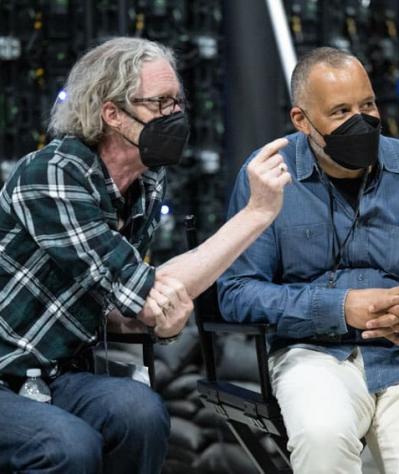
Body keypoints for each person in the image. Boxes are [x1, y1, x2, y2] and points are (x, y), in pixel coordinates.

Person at [0, 37, 291, 474]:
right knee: (69, 446)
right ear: (112, 113)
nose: (174, 114)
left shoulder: (147, 184)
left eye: (177, 102)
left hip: (54, 373)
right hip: (8, 371)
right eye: (160, 103)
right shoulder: (53, 173)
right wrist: (257, 213)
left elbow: (119, 299)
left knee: (141, 412)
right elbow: (141, 284)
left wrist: (154, 321)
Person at [218, 46, 399, 474]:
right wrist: (338, 308)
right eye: (340, 111)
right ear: (301, 120)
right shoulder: (268, 177)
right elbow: (237, 291)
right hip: (312, 353)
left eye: (368, 104)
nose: (362, 120)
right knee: (323, 436)